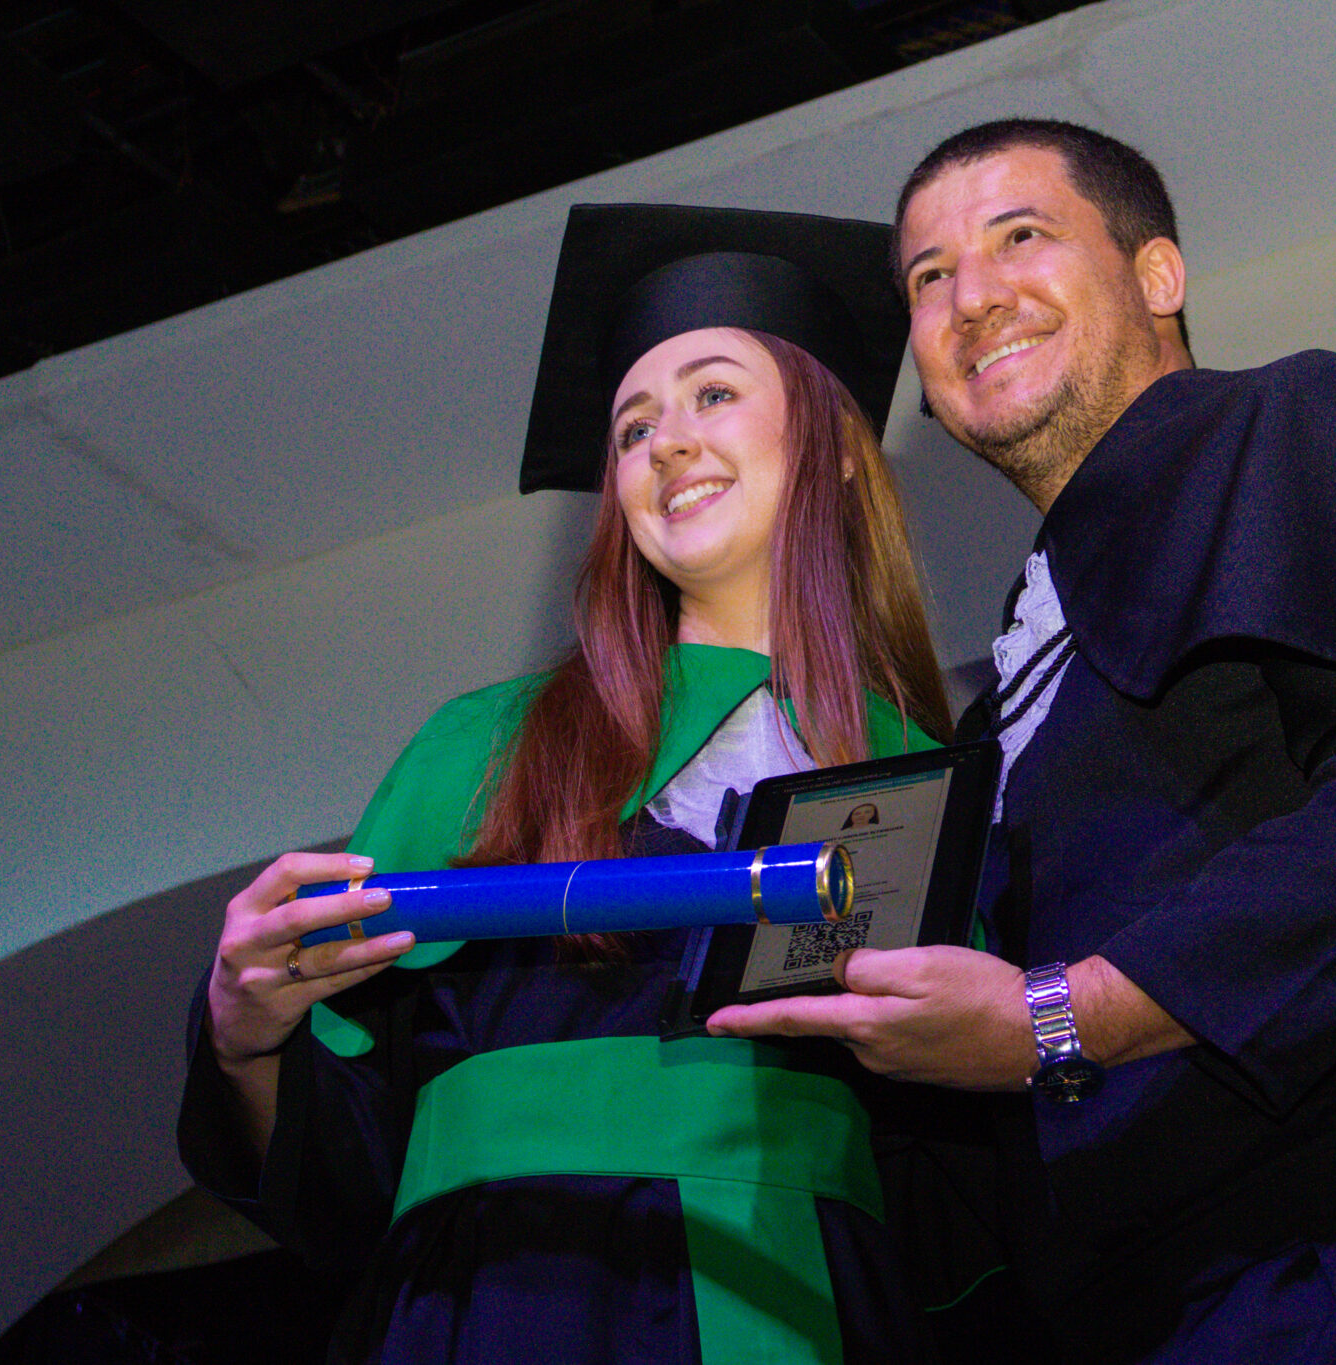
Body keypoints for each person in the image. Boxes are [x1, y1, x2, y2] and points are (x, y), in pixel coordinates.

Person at [708, 120, 1336, 1363]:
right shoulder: (997, 703)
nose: (972, 297)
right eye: (927, 276)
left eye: (1019, 237)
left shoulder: (1289, 422)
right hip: (1164, 1311)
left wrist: (1059, 1017)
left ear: (1157, 275)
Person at [176, 203, 957, 1363]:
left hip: (801, 1296)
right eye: (632, 428)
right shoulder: (486, 746)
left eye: (712, 394)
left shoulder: (918, 773)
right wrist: (243, 1040)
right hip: (503, 1293)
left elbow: (962, 1186)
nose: (666, 444)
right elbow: (341, 1160)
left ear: (836, 443)